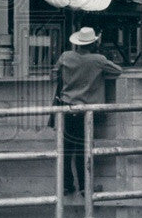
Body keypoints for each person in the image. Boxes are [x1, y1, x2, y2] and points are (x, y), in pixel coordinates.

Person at [51, 27, 122, 195]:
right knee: (84, 150)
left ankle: (67, 186)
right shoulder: (98, 60)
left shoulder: (66, 56)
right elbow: (118, 71)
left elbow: (54, 73)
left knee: (66, 150)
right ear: (94, 43)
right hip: (85, 112)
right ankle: (85, 187)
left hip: (66, 108)